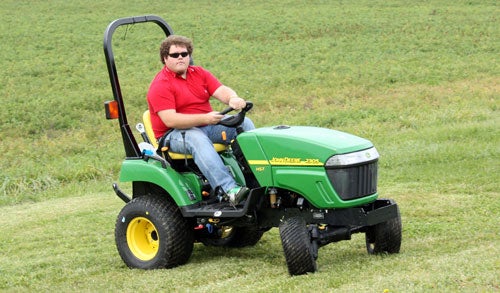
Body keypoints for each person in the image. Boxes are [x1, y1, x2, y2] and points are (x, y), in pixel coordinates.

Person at [147, 35, 254, 205]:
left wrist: (233, 98)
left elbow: (221, 90)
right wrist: (205, 118)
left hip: (207, 125)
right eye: (175, 55)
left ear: (189, 55)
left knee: (244, 124)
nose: (180, 57)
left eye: (184, 53)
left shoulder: (199, 73)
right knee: (197, 138)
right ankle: (228, 190)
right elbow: (171, 120)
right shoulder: (160, 85)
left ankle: (254, 178)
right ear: (165, 58)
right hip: (173, 135)